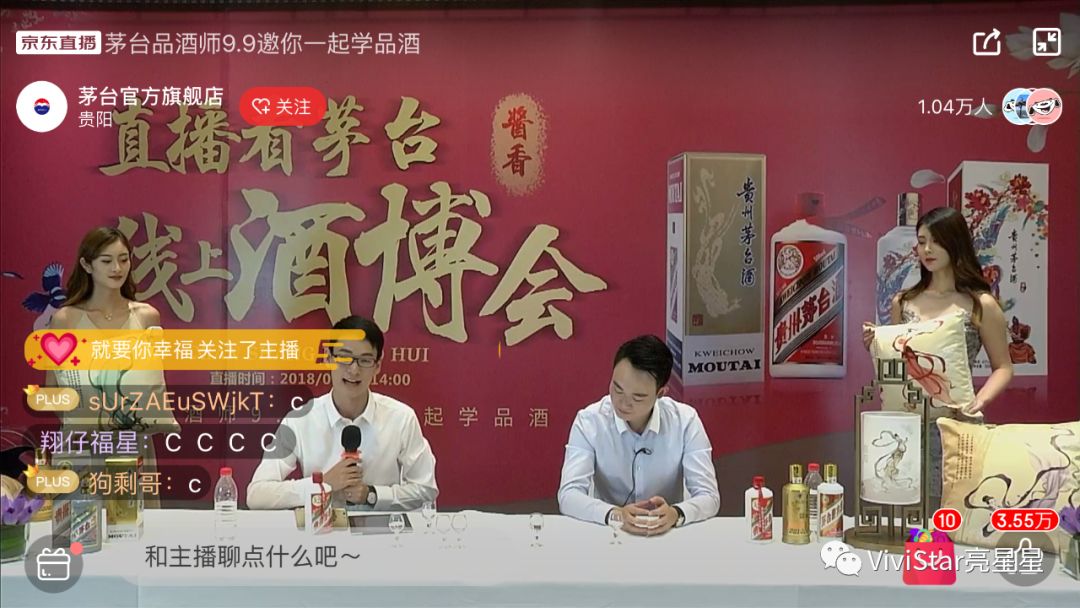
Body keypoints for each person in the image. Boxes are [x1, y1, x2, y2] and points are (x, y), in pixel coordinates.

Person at [863, 206, 1012, 503]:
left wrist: (978, 402)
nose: (927, 249)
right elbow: (898, 364)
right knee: (906, 508)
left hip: (957, 424)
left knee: (958, 510)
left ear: (955, 242)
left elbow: (1004, 366)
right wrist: (875, 344)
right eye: (921, 242)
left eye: (936, 241)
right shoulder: (904, 302)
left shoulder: (980, 304)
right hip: (907, 426)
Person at [247, 315, 438, 510]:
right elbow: (257, 495)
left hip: (382, 528)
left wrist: (372, 495)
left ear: (377, 366)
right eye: (344, 358)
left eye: (365, 360)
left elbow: (426, 489)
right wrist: (321, 485)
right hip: (322, 527)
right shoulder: (300, 420)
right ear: (328, 358)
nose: (354, 370)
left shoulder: (401, 418)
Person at [47, 227, 179, 507]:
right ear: (87, 265)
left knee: (134, 522)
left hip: (133, 441)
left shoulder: (147, 317)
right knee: (80, 525)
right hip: (83, 444)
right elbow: (53, 390)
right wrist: (88, 420)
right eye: (106, 261)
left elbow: (153, 384)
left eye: (124, 259)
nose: (117, 268)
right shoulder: (65, 320)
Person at [558, 335, 720, 536]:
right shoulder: (589, 421)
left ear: (660, 394)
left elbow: (709, 496)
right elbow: (568, 495)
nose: (623, 403)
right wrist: (615, 514)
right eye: (617, 389)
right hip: (610, 533)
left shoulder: (685, 421)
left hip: (667, 535)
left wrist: (675, 514)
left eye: (638, 397)